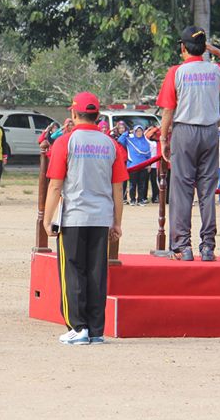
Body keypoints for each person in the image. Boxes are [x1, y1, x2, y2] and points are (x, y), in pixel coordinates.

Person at [42, 91, 126, 345]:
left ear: (73, 113)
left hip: (75, 217)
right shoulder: (110, 144)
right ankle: (96, 329)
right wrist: (117, 222)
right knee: (96, 273)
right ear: (98, 115)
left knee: (73, 271)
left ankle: (78, 328)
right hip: (101, 217)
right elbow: (118, 189)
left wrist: (47, 219)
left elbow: (55, 185)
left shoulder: (65, 142)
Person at [157, 27, 220, 261]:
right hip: (209, 132)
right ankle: (207, 247)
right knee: (207, 191)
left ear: (183, 48)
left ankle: (182, 246)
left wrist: (164, 138)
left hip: (184, 131)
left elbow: (168, 110)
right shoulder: (215, 70)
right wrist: (217, 52)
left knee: (182, 189)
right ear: (204, 47)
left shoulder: (176, 72)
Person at [119, 125, 151, 205]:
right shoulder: (130, 140)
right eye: (137, 131)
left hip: (143, 166)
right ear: (134, 132)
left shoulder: (146, 142)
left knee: (141, 184)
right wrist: (127, 132)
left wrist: (149, 164)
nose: (139, 133)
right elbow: (120, 140)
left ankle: (140, 200)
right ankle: (132, 200)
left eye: (140, 131)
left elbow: (148, 155)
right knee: (132, 184)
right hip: (133, 166)